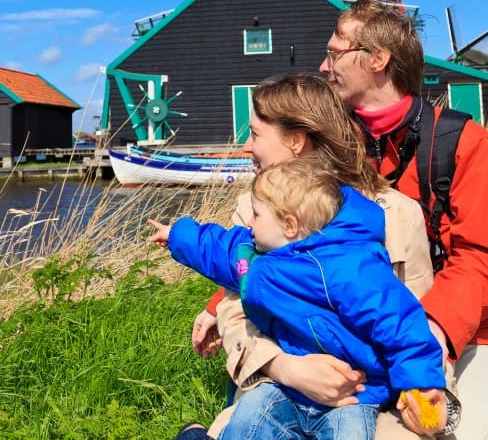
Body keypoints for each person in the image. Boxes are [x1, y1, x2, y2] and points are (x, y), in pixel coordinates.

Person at [310, 0, 488, 439]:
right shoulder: (329, 148)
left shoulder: (465, 145)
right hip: (364, 329)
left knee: (468, 433)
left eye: (335, 53)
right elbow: (283, 232)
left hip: (456, 329)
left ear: (377, 59)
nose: (323, 67)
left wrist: (431, 334)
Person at [185, 74, 445, 438]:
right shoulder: (253, 214)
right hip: (273, 388)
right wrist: (285, 368)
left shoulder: (398, 214)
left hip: (369, 399)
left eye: (256, 134)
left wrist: (428, 400)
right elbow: (236, 311)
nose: (246, 146)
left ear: (296, 141)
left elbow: (420, 321)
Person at [150, 156, 448, 440]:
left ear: (290, 225)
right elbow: (217, 248)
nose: (249, 224)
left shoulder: (350, 269)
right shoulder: (256, 256)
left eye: (256, 214)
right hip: (286, 386)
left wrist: (420, 385)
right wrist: (177, 234)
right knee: (248, 420)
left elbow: (401, 325)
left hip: (354, 392)